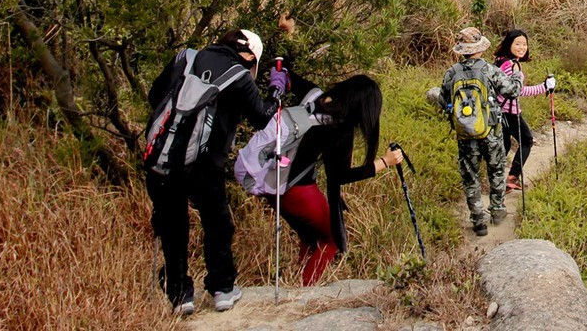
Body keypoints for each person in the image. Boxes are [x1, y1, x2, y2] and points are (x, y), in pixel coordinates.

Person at [144, 28, 279, 316]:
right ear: (250, 57)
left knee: (172, 227)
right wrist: (277, 90)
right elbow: (262, 118)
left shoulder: (186, 57)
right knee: (217, 224)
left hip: (162, 158)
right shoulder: (240, 76)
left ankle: (180, 295)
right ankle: (223, 289)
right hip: (205, 166)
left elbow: (155, 96)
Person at [250, 72, 404, 286]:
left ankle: (296, 282)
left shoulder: (314, 95)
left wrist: (278, 76)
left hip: (270, 179)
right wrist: (384, 162)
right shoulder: (338, 128)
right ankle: (305, 290)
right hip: (296, 189)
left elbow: (288, 75)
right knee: (330, 240)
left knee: (311, 236)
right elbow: (341, 175)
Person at [437, 27, 520, 235]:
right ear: (479, 49)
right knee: (496, 170)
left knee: (470, 176)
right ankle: (498, 211)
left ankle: (478, 220)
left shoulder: (452, 72)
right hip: (490, 130)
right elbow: (512, 91)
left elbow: (443, 100)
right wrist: (518, 76)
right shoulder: (488, 69)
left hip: (465, 134)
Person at [493, 29, 555, 193]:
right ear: (509, 44)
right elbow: (517, 91)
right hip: (510, 112)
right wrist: (544, 87)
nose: (522, 47)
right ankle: (512, 178)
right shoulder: (511, 65)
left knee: (505, 146)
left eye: (524, 44)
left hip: (498, 112)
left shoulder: (499, 61)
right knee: (527, 141)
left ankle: (497, 182)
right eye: (517, 43)